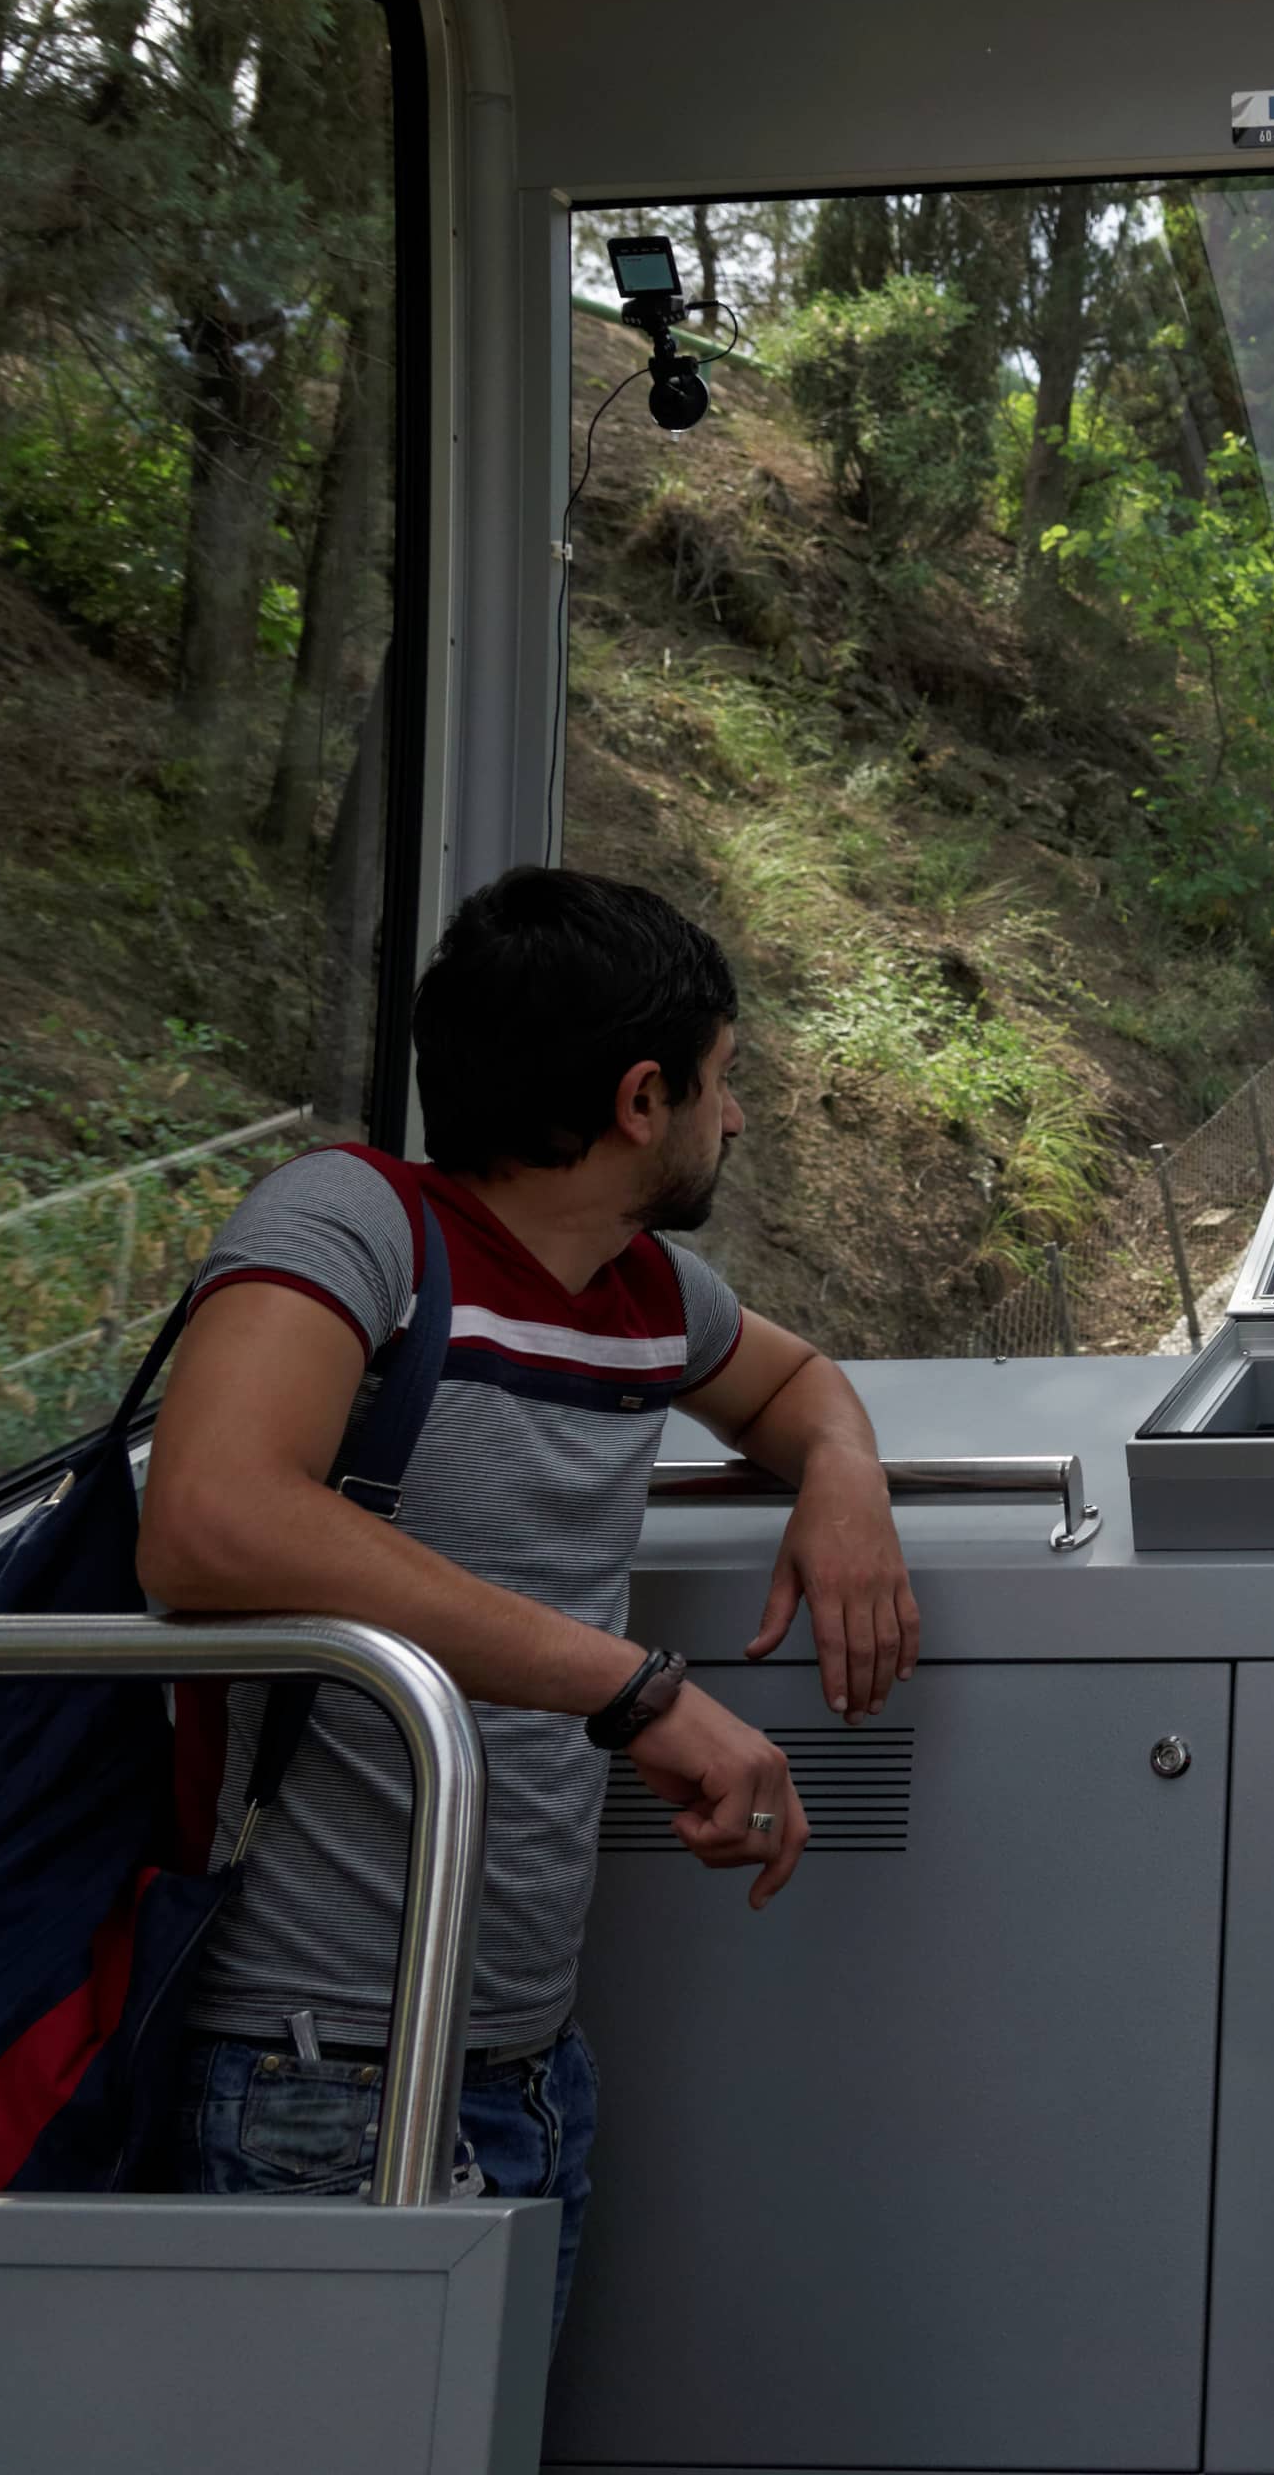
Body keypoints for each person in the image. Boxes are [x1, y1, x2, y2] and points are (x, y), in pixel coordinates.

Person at [136, 866, 920, 2312]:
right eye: (723, 1081)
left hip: (524, 2064)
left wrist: (846, 1478)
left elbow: (795, 1385)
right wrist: (637, 1693)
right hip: (309, 2068)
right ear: (642, 1100)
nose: (737, 1117)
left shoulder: (643, 1293)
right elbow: (210, 1516)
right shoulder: (356, 1226)